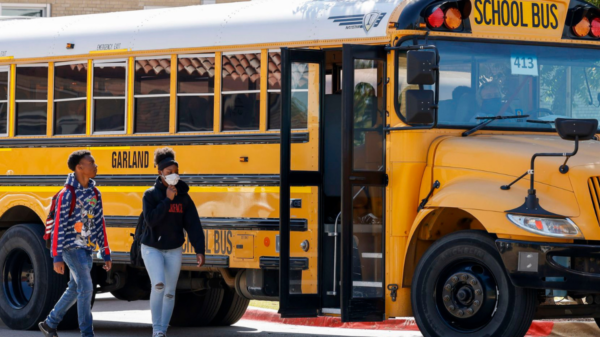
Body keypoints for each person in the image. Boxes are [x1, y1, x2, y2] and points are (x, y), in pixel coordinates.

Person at [39, 150, 112, 337]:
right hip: (71, 248)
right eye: (91, 162)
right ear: (80, 167)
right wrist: (56, 256)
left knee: (75, 287)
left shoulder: (95, 192)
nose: (95, 165)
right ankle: (87, 333)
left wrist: (105, 251)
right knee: (86, 287)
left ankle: (50, 323)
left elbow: (99, 222)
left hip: (87, 248)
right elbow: (58, 226)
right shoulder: (67, 194)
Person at [142, 147, 205, 337]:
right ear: (160, 172)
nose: (173, 176)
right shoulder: (150, 194)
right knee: (159, 284)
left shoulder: (184, 197)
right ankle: (156, 329)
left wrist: (199, 249)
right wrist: (167, 201)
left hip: (174, 248)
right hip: (151, 247)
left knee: (170, 291)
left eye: (176, 172)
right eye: (169, 172)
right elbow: (151, 220)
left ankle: (162, 330)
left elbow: (193, 224)